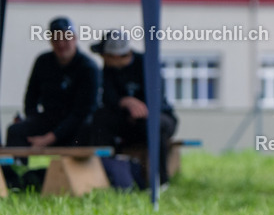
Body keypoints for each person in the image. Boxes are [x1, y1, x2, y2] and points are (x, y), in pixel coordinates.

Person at [89, 30, 178, 186]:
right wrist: (125, 101)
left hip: (155, 118)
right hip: (126, 121)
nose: (102, 59)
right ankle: (110, 172)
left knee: (154, 125)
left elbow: (156, 98)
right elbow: (108, 99)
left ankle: (161, 180)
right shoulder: (109, 69)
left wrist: (138, 108)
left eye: (104, 55)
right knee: (100, 118)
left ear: (116, 56)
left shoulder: (147, 64)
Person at [5, 17, 99, 152]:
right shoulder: (43, 61)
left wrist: (49, 138)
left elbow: (83, 111)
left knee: (85, 131)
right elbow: (31, 97)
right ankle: (21, 166)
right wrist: (31, 118)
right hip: (49, 118)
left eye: (65, 38)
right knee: (15, 131)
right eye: (56, 39)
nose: (61, 44)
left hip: (75, 124)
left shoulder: (89, 68)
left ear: (74, 38)